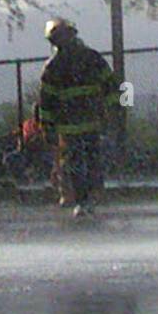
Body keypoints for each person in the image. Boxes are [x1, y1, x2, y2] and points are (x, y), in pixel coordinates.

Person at [38, 18, 122, 216]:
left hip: (80, 124)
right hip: (80, 124)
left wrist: (115, 109)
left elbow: (112, 87)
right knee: (83, 162)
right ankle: (87, 198)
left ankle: (87, 199)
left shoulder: (58, 65)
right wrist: (115, 111)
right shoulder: (88, 58)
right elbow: (46, 101)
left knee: (83, 162)